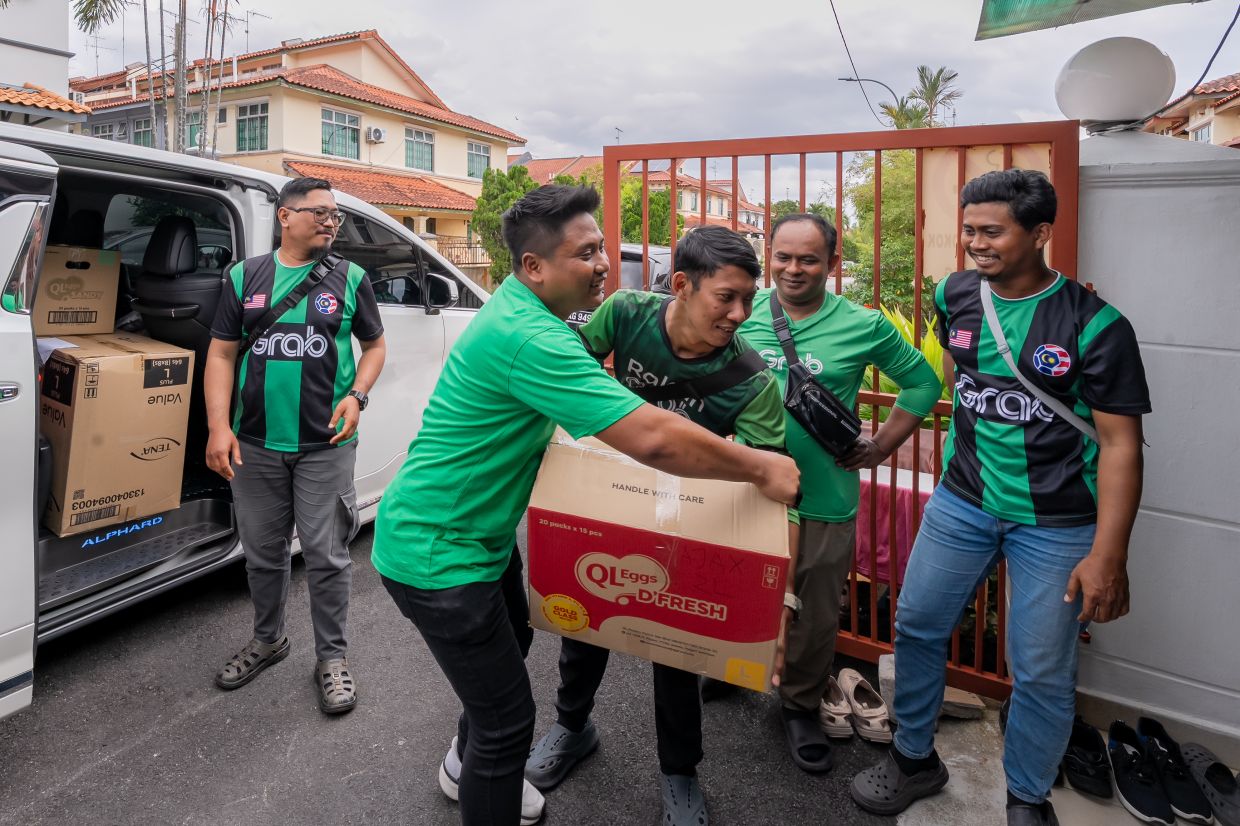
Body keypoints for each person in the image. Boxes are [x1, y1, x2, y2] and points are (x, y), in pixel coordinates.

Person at [370, 186, 800, 826]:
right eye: (586, 253)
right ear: (534, 267)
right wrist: (761, 464)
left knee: (512, 642)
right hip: (437, 553)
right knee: (507, 725)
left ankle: (467, 766)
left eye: (602, 249)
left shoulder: (537, 319)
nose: (603, 263)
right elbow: (650, 436)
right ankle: (485, 768)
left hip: (480, 541)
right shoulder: (532, 337)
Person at [850, 169, 1150, 826]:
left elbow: (1122, 445)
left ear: (1040, 233)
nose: (976, 244)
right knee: (917, 625)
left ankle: (1026, 796)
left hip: (1059, 523)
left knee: (1040, 667)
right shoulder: (955, 295)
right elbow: (963, 385)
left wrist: (1109, 554)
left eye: (993, 231)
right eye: (968, 230)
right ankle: (913, 757)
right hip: (963, 503)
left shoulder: (1096, 326)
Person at [524, 225, 799, 826]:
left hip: (690, 519)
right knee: (585, 621)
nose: (740, 313)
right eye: (725, 296)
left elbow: (772, 493)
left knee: (676, 650)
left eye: (749, 299)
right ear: (680, 284)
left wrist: (776, 600)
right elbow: (573, 366)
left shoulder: (752, 380)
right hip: (610, 501)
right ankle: (573, 728)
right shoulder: (625, 314)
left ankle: (680, 771)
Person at [737, 212, 941, 772]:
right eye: (782, 256)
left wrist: (879, 448)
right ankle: (731, 672)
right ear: (768, 256)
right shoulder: (741, 311)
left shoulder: (862, 323)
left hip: (824, 491)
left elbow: (925, 381)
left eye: (808, 259)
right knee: (736, 582)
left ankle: (799, 705)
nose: (793, 269)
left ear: (832, 263)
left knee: (815, 607)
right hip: (745, 486)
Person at [205, 177, 387, 715]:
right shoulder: (244, 277)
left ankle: (332, 659)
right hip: (255, 444)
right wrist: (219, 427)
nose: (332, 222)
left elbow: (374, 346)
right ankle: (268, 641)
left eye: (336, 215)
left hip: (325, 444)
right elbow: (220, 355)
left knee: (328, 556)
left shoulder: (351, 278)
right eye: (321, 213)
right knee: (262, 555)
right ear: (285, 216)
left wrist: (357, 395)